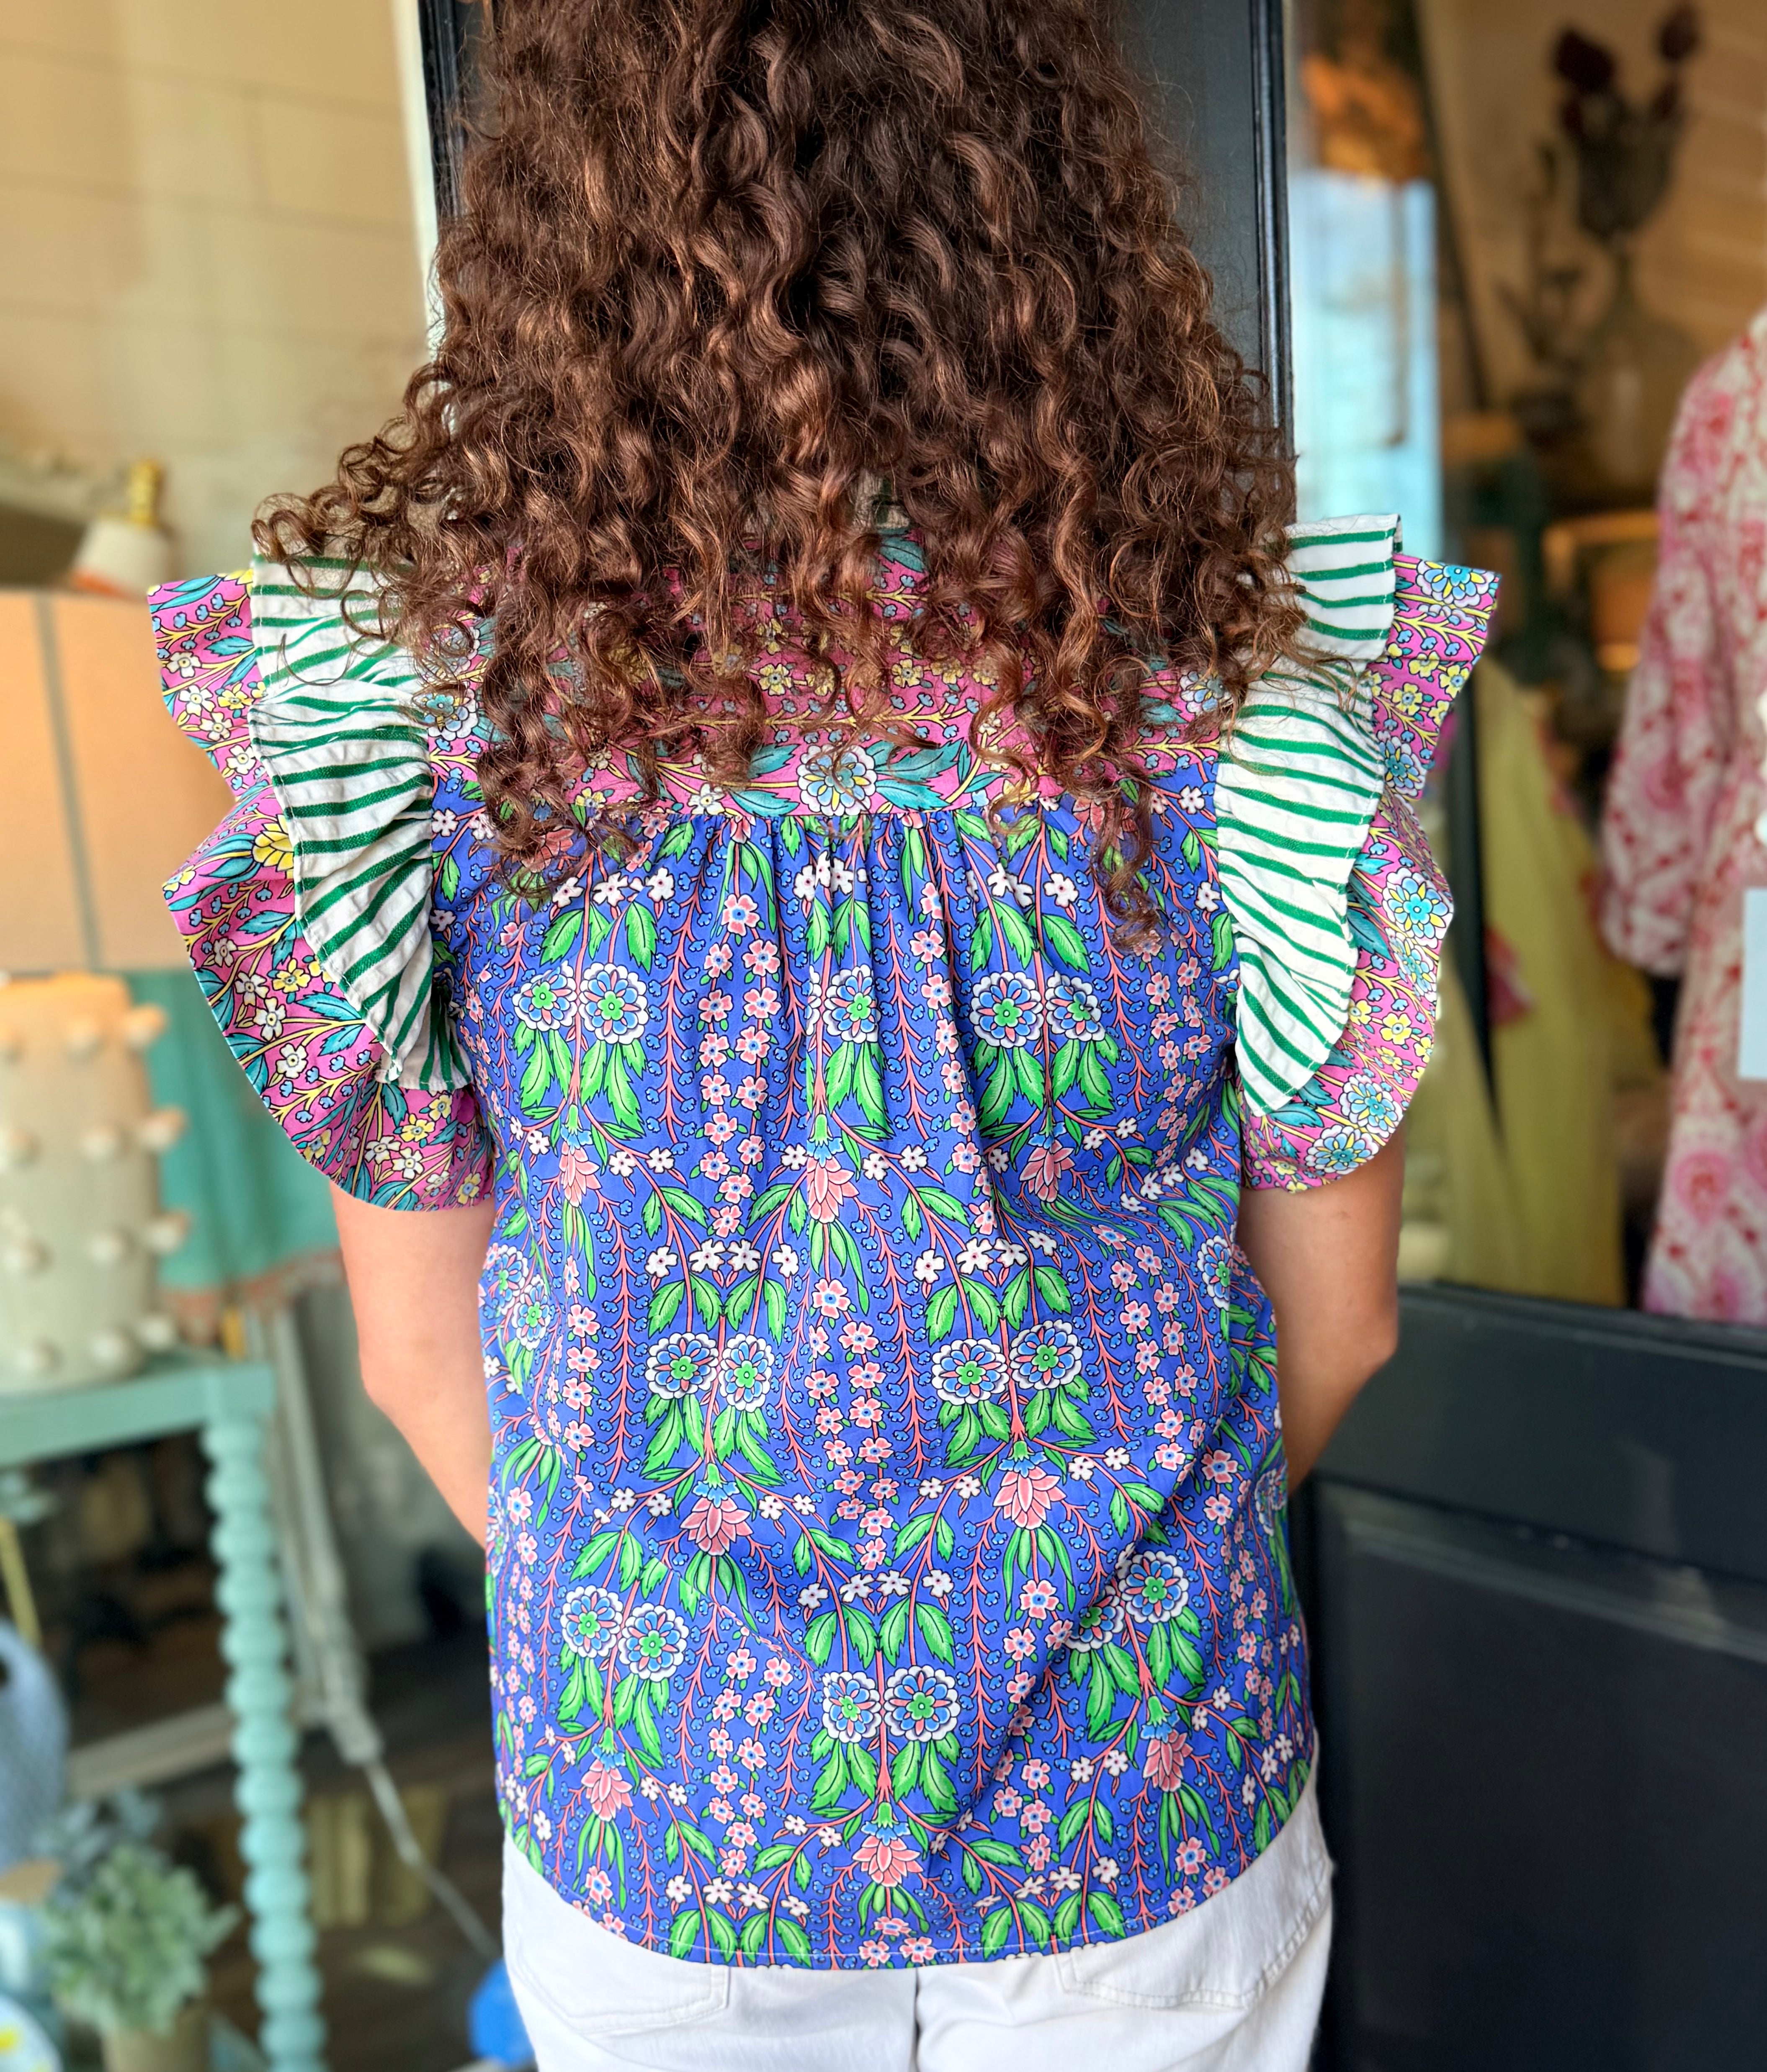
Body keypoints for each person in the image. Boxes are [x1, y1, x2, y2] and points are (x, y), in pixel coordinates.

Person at [153, 2, 1494, 2064]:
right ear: (1048, 220)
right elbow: (1339, 1327)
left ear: (564, 229)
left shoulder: (426, 716)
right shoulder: (1234, 709)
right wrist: (1068, 1623)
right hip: (1135, 1807)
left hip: (661, 1830)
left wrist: (700, 1673)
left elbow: (424, 1366)